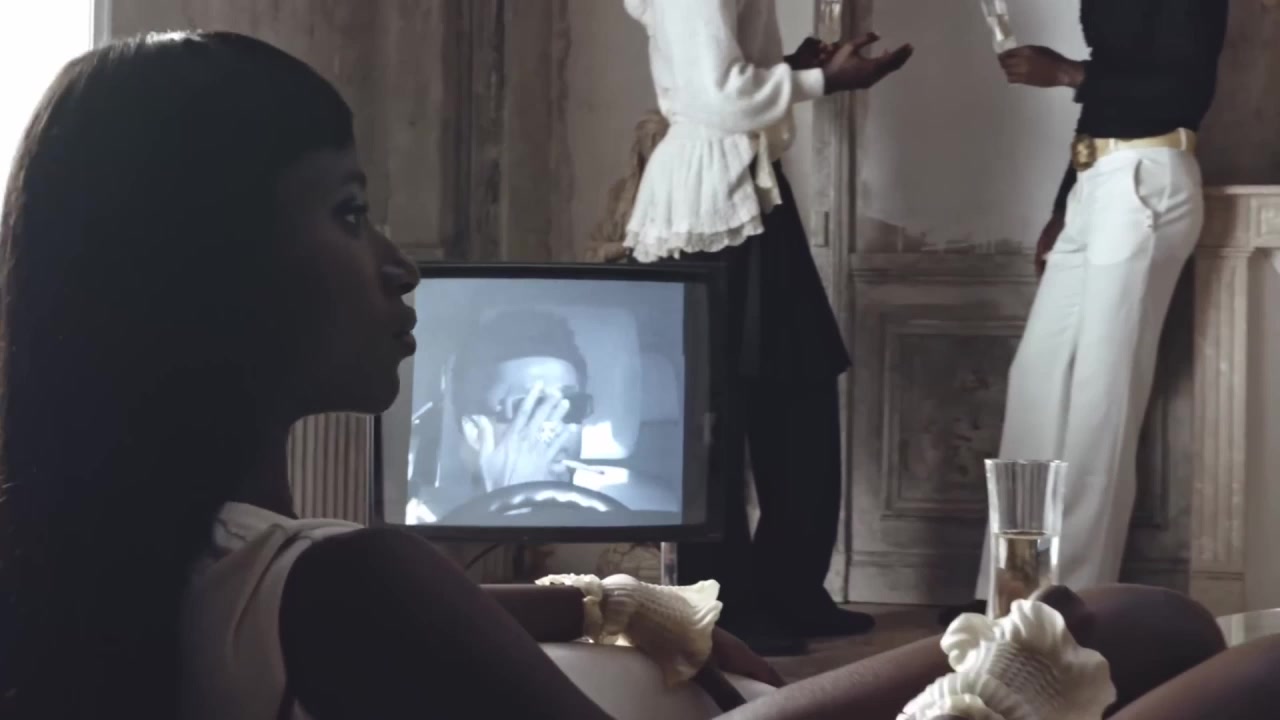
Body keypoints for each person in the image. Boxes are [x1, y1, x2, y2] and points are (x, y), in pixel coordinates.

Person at [0, 28, 1238, 720]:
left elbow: (399, 618)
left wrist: (599, 597)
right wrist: (988, 691)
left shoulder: (114, 544)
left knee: (1138, 620)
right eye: (349, 212)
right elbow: (374, 609)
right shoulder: (344, 581)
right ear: (208, 274)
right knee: (1177, 638)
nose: (398, 264)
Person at [620, 0, 912, 651]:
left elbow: (721, 74)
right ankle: (724, 608)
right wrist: (821, 79)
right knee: (714, 417)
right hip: (708, 203)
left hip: (746, 191)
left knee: (794, 391)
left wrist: (788, 67)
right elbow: (716, 95)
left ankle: (787, 591)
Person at [945, 0, 1230, 622]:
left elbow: (1185, 89)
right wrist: (1063, 204)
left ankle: (1066, 606)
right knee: (1036, 381)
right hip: (1095, 180)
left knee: (1102, 400)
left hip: (1148, 178)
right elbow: (1109, 92)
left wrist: (1069, 73)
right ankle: (1014, 591)